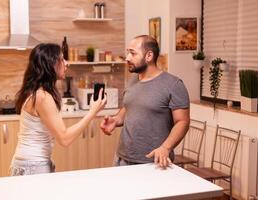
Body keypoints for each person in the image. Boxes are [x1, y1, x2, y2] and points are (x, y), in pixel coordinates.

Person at [10, 43, 106, 176]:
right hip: (33, 165)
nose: (67, 63)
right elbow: (64, 138)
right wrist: (92, 112)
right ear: (50, 64)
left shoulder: (35, 92)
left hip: (29, 163)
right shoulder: (42, 96)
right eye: (62, 59)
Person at [100, 35, 190, 168]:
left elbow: (183, 122)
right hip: (122, 158)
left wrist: (166, 148)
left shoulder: (174, 84)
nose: (127, 58)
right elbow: (129, 107)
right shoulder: (133, 80)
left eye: (132, 53)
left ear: (149, 56)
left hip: (154, 161)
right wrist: (116, 119)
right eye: (127, 52)